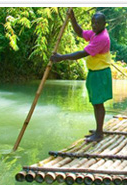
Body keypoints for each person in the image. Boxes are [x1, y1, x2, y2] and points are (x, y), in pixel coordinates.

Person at [50, 10, 111, 142]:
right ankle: (98, 130)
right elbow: (80, 33)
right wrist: (72, 18)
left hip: (100, 73)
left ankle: (99, 133)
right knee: (96, 103)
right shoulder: (95, 33)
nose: (94, 25)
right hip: (95, 71)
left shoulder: (102, 38)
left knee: (98, 103)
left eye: (97, 23)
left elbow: (82, 53)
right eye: (93, 22)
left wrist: (62, 58)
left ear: (104, 24)